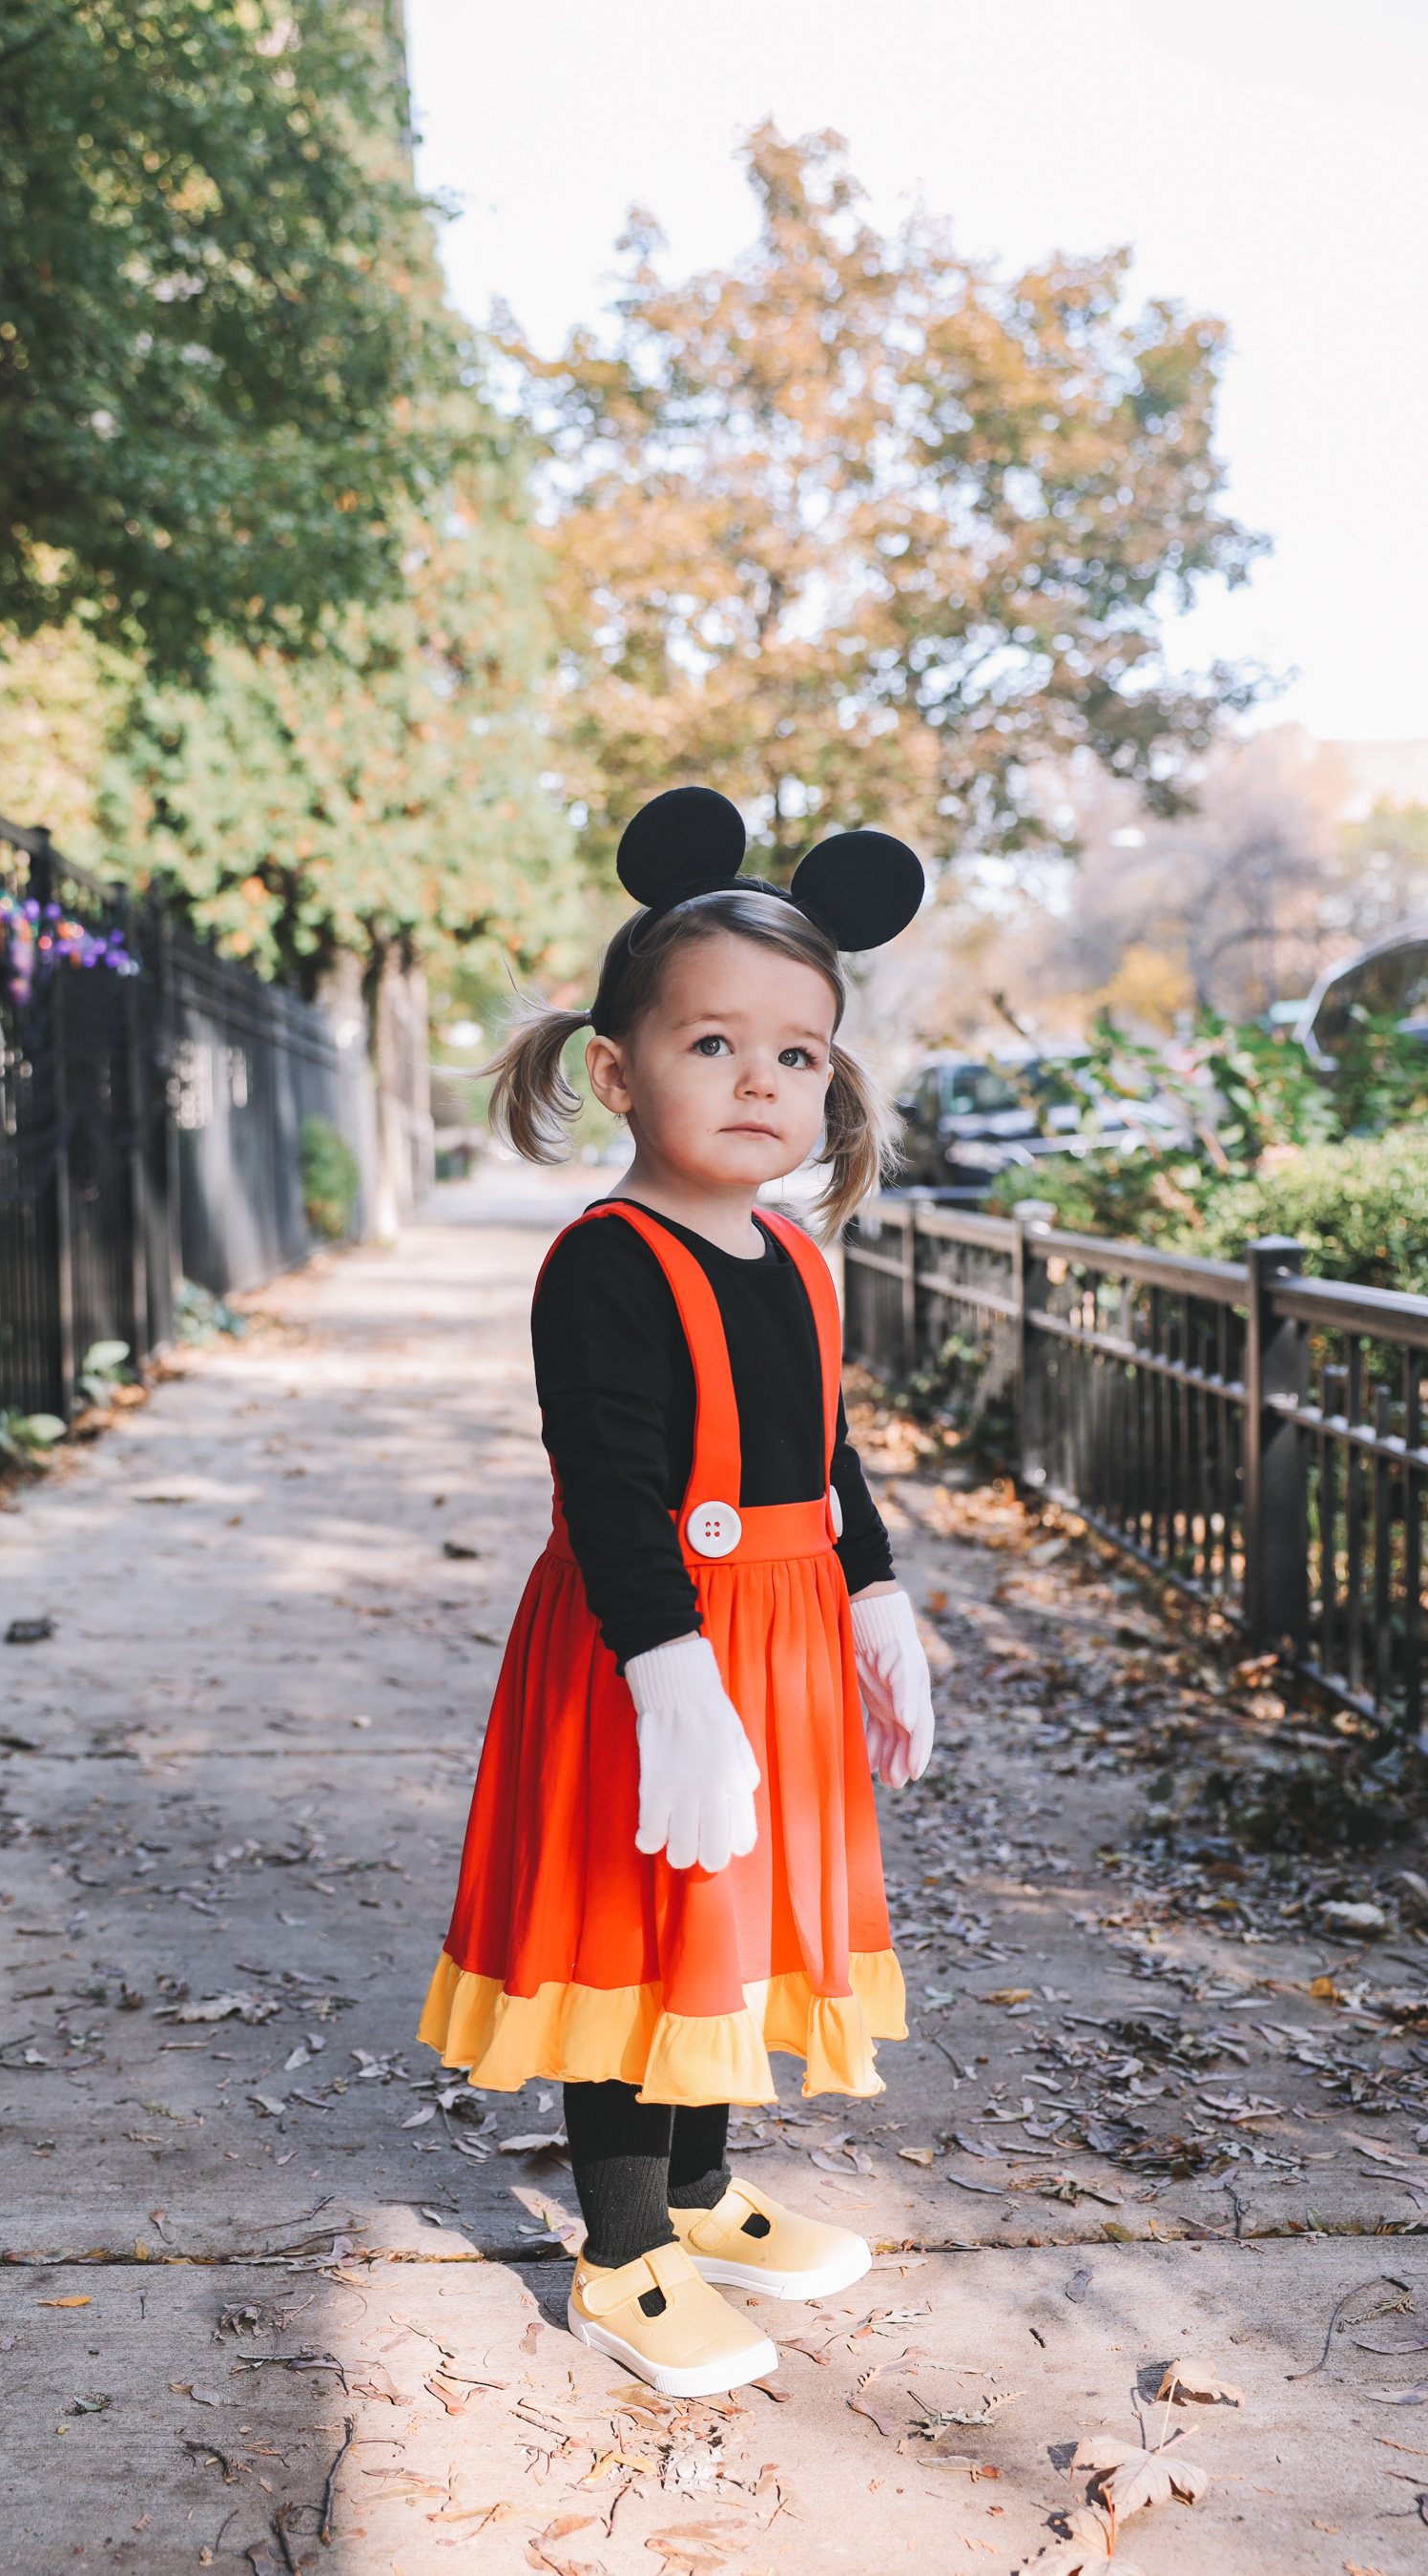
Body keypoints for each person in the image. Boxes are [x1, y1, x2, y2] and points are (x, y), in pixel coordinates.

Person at [418, 786, 937, 2398]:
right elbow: (611, 1489)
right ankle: (625, 2251)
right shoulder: (607, 1261)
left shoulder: (796, 1260)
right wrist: (674, 1688)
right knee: (637, 1932)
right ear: (617, 1066)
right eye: (714, 1044)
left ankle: (701, 2194)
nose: (762, 1080)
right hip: (656, 1647)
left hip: (777, 1646)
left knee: (722, 1926)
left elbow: (825, 1457)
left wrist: (881, 1606)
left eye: (798, 1053)